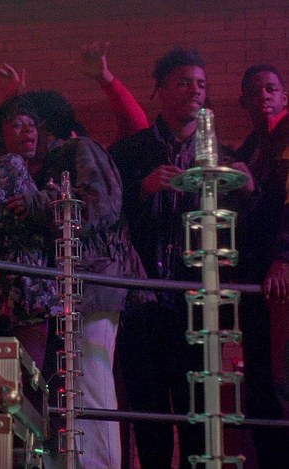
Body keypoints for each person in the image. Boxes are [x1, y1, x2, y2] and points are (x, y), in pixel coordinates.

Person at [7, 90, 148, 469]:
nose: (28, 132)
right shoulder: (63, 156)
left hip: (94, 279)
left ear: (46, 123)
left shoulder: (80, 149)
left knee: (91, 380)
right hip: (81, 281)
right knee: (78, 380)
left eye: (32, 123)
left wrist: (39, 203)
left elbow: (101, 204)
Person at [109, 46, 222, 468]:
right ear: (160, 90)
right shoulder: (129, 151)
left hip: (197, 304)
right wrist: (143, 189)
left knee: (198, 417)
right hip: (144, 303)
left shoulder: (217, 153)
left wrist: (246, 187)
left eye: (201, 84)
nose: (195, 91)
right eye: (184, 83)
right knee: (149, 415)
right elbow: (108, 219)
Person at [233, 63, 289, 467]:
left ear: (284, 96)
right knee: (261, 383)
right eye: (254, 91)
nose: (263, 96)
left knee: (281, 379)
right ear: (243, 102)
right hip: (255, 283)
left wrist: (284, 257)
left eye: (271, 88)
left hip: (280, 280)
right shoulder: (249, 149)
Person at [0, 96, 58, 366]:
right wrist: (39, 207)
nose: (28, 130)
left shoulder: (22, 168)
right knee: (27, 372)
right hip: (26, 284)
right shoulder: (10, 162)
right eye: (17, 125)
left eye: (32, 125)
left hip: (28, 282)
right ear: (1, 137)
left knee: (24, 370)